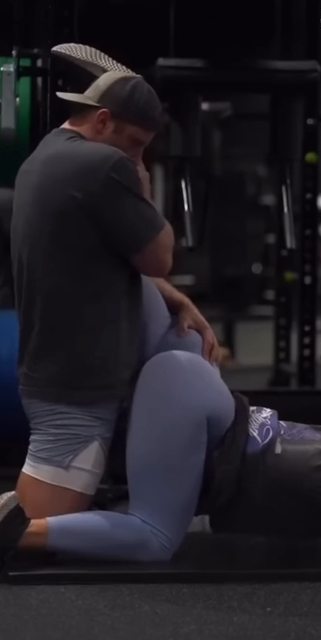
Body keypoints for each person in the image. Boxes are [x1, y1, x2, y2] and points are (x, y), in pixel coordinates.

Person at [10, 70, 219, 520]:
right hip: (76, 387)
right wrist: (141, 183)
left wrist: (174, 298)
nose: (138, 157)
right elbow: (159, 257)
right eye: (135, 143)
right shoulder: (103, 166)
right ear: (102, 121)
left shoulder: (48, 154)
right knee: (36, 527)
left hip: (67, 373)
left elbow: (97, 256)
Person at [2, 349, 321, 564]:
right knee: (154, 539)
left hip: (189, 380)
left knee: (153, 511)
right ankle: (13, 532)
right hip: (182, 404)